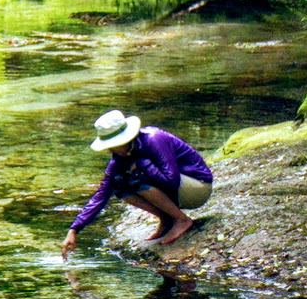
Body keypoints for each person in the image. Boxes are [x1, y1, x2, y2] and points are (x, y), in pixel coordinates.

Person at [62, 110, 213, 259]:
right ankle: (166, 219)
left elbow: (172, 181)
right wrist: (74, 229)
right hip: (178, 190)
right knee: (119, 184)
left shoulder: (154, 139)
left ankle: (182, 220)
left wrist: (143, 164)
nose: (109, 150)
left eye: (112, 145)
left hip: (197, 186)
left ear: (123, 140)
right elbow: (102, 194)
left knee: (137, 179)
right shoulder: (120, 157)